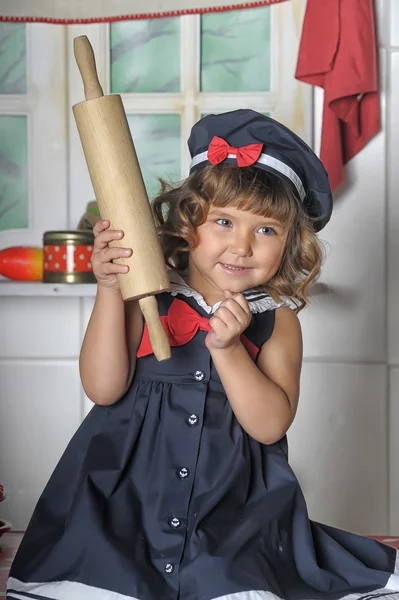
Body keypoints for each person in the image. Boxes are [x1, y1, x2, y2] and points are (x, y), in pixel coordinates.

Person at [7, 110, 399, 600]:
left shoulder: (277, 319)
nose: (241, 245)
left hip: (233, 510)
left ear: (291, 242)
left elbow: (270, 424)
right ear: (188, 221)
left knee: (237, 582)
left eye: (266, 230)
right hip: (124, 501)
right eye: (224, 221)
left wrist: (229, 350)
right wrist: (111, 290)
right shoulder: (144, 293)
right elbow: (103, 387)